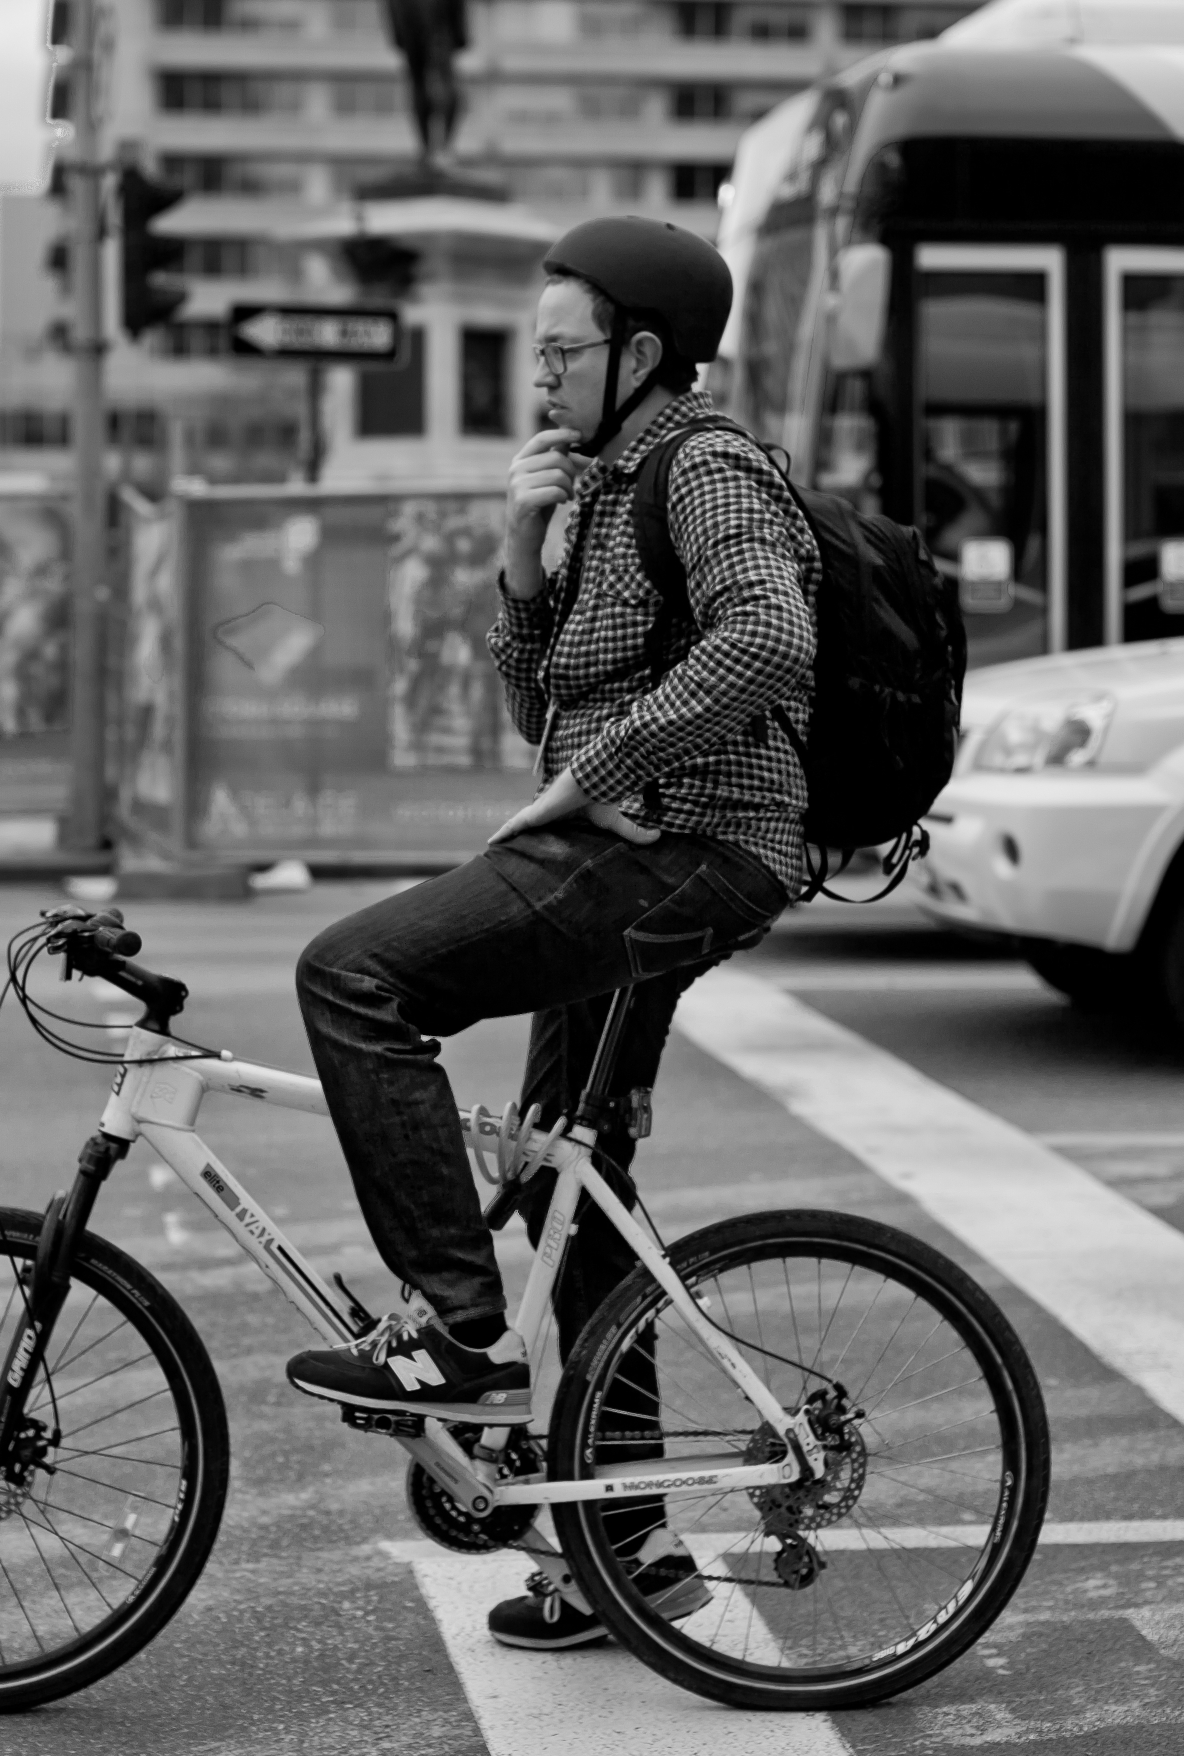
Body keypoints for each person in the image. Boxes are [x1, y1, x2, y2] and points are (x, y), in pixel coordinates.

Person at [283, 216, 820, 1648]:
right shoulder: (606, 483)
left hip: (689, 852)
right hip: (636, 847)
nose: (539, 377)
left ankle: (454, 1337)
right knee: (560, 1175)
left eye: (559, 352)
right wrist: (522, 550)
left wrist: (604, 774)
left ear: (640, 354)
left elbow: (769, 635)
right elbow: (543, 703)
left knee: (353, 975)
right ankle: (629, 1553)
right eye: (535, 354)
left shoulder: (703, 467)